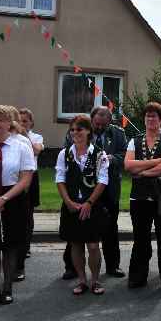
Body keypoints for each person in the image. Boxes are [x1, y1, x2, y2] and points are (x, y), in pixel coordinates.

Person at [61, 106, 128, 280]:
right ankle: (71, 267)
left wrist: (112, 159)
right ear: (91, 120)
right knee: (76, 230)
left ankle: (113, 266)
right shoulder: (77, 131)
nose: (99, 127)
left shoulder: (118, 134)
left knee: (110, 229)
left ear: (110, 122)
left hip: (108, 188)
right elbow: (68, 154)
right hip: (82, 190)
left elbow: (125, 155)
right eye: (97, 124)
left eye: (103, 125)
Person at [124, 102, 161, 290]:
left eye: (154, 116)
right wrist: (156, 161)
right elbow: (128, 165)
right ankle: (137, 276)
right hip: (139, 197)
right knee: (140, 238)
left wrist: (142, 172)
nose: (150, 119)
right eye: (147, 116)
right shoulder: (134, 140)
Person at [55, 115, 110, 295]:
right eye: (72, 130)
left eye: (79, 129)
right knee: (76, 244)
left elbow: (102, 181)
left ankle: (95, 280)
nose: (75, 133)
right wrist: (68, 202)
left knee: (93, 246)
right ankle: (82, 280)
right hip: (71, 206)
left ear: (88, 131)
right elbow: (60, 179)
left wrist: (89, 202)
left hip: (92, 205)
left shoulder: (100, 154)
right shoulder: (64, 154)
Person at [0, 105, 35, 305]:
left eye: (0, 120)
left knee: (10, 246)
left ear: (10, 123)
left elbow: (25, 179)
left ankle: (7, 288)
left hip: (13, 198)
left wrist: (4, 199)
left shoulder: (21, 145)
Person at [18, 108, 42, 265]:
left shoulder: (36, 137)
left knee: (28, 213)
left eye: (25, 121)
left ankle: (26, 246)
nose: (21, 124)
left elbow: (36, 150)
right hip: (16, 177)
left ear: (31, 123)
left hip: (31, 176)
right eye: (19, 121)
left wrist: (24, 134)